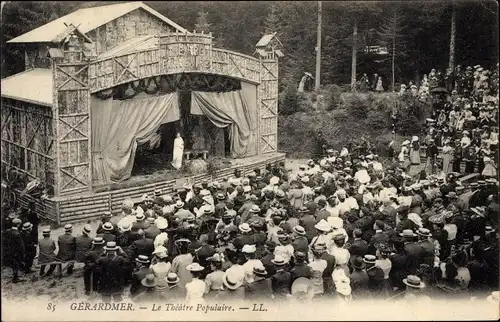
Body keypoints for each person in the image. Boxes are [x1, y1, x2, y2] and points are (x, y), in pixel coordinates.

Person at [4, 218, 25, 283]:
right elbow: (21, 245)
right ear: (18, 225)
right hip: (16, 251)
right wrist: (23, 252)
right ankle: (15, 278)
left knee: (13, 264)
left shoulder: (8, 231)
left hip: (10, 250)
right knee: (16, 264)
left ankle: (15, 276)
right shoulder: (17, 233)